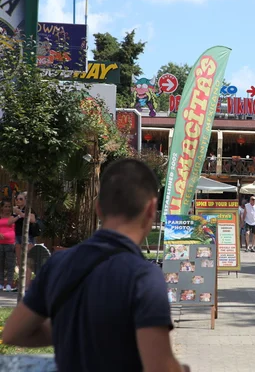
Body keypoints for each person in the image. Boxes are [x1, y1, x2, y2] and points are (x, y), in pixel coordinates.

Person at [2, 158, 190, 371]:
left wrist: (74, 327)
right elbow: (160, 367)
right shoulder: (144, 276)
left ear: (98, 208)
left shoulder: (58, 263)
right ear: (151, 209)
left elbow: (13, 333)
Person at [0, 198, 17, 291]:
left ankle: (9, 284)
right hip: (0, 244)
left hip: (10, 244)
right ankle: (1, 283)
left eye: (9, 206)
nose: (7, 208)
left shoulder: (13, 216)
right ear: (2, 207)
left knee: (10, 265)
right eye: (5, 206)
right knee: (0, 264)